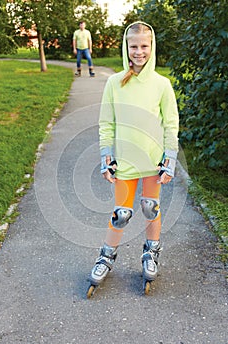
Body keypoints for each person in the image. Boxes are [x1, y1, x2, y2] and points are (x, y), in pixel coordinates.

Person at [87, 21, 179, 296]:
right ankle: (105, 257)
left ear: (152, 47)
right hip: (125, 162)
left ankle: (151, 254)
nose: (139, 52)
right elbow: (107, 124)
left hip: (153, 162)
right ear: (126, 47)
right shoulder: (114, 83)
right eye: (134, 46)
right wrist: (106, 157)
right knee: (121, 214)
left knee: (151, 208)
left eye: (144, 46)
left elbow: (170, 125)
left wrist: (170, 159)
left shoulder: (162, 85)